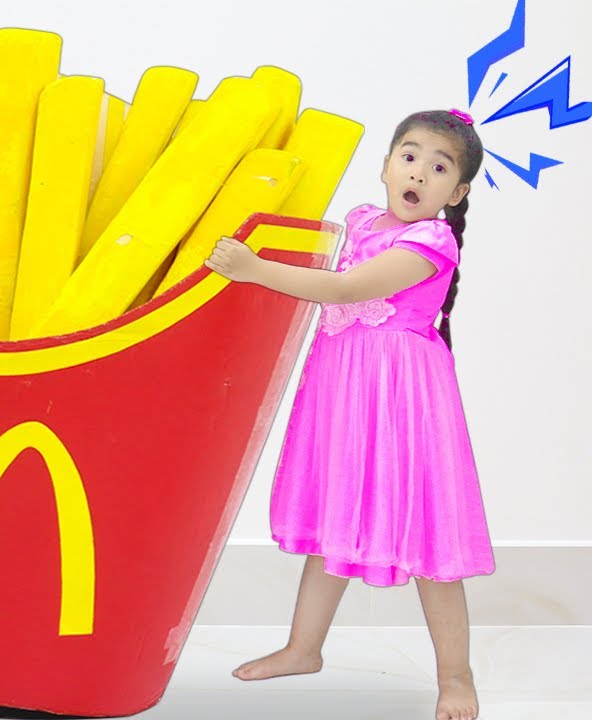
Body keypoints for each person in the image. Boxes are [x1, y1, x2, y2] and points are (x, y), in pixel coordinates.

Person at [205, 109, 493, 720]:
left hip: (401, 399)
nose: (419, 173)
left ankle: (456, 676)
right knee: (336, 511)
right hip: (344, 391)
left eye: (440, 167)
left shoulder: (430, 242)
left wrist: (253, 270)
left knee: (426, 533)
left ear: (457, 192)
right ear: (386, 166)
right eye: (409, 156)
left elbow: (343, 290)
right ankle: (303, 649)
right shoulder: (361, 221)